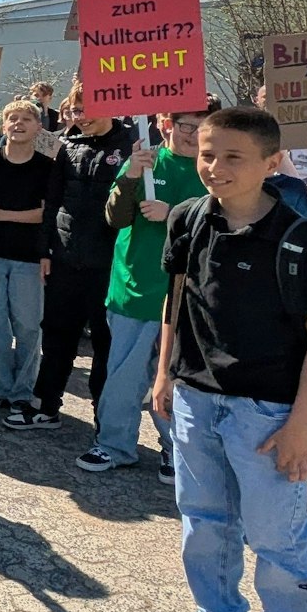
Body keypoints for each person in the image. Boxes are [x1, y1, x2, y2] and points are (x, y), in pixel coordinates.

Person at [153, 106, 307, 612]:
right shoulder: (186, 220)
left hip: (268, 413)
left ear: (271, 162)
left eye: (233, 156)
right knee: (204, 524)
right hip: (195, 400)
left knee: (276, 535)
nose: (215, 166)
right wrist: (164, 376)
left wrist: (301, 427)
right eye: (208, 153)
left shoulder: (303, 239)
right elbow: (176, 301)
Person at [75, 99, 212, 471]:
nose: (194, 137)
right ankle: (114, 445)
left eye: (202, 128)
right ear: (167, 124)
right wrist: (131, 176)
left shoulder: (213, 172)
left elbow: (223, 226)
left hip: (188, 296)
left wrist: (174, 215)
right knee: (123, 375)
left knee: (178, 381)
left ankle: (176, 451)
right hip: (135, 288)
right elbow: (115, 218)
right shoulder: (146, 162)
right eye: (186, 127)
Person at [14, 83, 135, 429]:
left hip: (110, 264)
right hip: (66, 259)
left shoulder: (132, 146)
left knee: (105, 342)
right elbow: (53, 202)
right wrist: (45, 250)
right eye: (76, 111)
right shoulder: (68, 146)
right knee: (57, 335)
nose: (82, 118)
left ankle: (105, 417)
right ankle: (46, 405)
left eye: (88, 110)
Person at [0, 99, 64, 414]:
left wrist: (2, 214)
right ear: (3, 125)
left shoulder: (47, 167)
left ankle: (22, 390)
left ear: (38, 126)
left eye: (27, 118)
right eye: (13, 118)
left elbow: (46, 214)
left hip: (29, 259)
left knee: (28, 326)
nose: (19, 123)